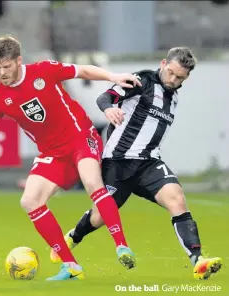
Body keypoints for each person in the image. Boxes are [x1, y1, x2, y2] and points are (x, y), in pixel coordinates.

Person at [0, 35, 142, 281]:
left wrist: (113, 77)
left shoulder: (44, 70)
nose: (2, 72)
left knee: (91, 182)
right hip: (52, 153)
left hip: (80, 137)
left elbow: (83, 70)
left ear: (18, 61)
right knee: (30, 200)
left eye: (7, 66)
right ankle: (71, 266)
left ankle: (122, 246)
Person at [50, 47, 222, 280]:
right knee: (100, 216)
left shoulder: (173, 97)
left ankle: (198, 261)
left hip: (149, 164)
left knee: (177, 199)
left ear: (187, 77)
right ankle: (74, 236)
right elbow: (105, 96)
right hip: (118, 163)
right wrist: (109, 108)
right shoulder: (142, 81)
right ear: (163, 63)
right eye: (170, 72)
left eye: (179, 77)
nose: (173, 80)